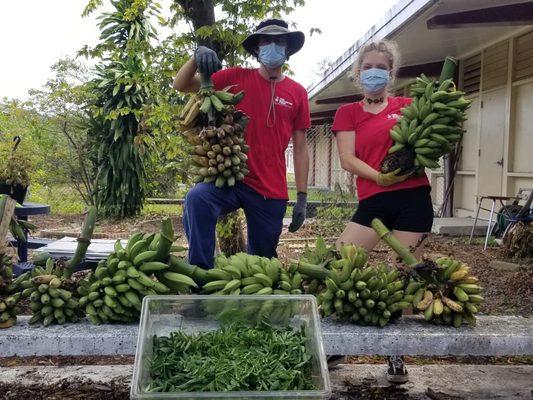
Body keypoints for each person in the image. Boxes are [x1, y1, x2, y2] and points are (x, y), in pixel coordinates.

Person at [330, 40, 434, 384]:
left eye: (382, 67)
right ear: (358, 72)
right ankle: (335, 343)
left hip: (414, 198)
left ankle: (396, 353)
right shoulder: (348, 112)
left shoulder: (408, 106)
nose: (375, 72)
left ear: (391, 73)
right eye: (368, 66)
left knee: (406, 275)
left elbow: (427, 142)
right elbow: (348, 159)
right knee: (339, 266)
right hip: (374, 198)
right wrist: (381, 176)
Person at [173, 19, 310, 269]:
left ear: (288, 48)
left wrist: (301, 195)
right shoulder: (235, 77)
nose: (272, 46)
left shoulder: (297, 92)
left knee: (261, 262)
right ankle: (201, 273)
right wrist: (196, 57)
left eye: (279, 41)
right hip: (232, 178)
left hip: (270, 187)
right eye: (266, 41)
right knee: (197, 198)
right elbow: (181, 85)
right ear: (256, 49)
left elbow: (300, 147)